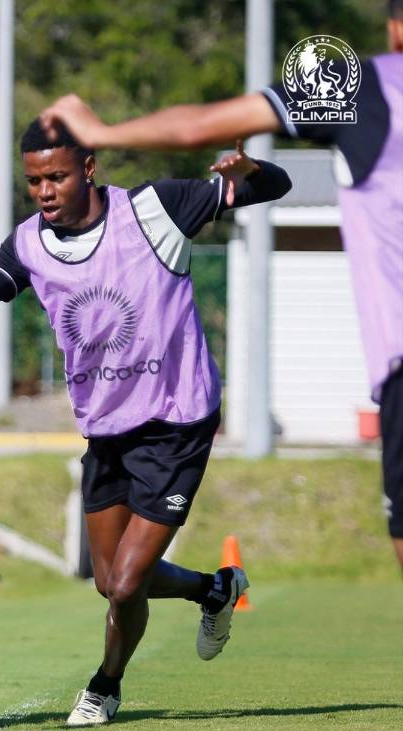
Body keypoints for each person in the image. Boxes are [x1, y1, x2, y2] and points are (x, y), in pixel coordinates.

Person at [0, 118, 291, 726]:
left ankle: (103, 687)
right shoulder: (29, 245)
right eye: (33, 181)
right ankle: (213, 589)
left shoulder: (155, 209)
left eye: (56, 176)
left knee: (128, 581)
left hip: (176, 420)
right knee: (108, 581)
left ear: (88, 169)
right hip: (107, 428)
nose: (45, 191)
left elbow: (277, 186)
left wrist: (254, 174)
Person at [41, 5, 403, 568]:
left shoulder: (368, 87)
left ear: (395, 29)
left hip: (388, 365)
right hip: (114, 427)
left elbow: (194, 127)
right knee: (115, 580)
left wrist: (101, 131)